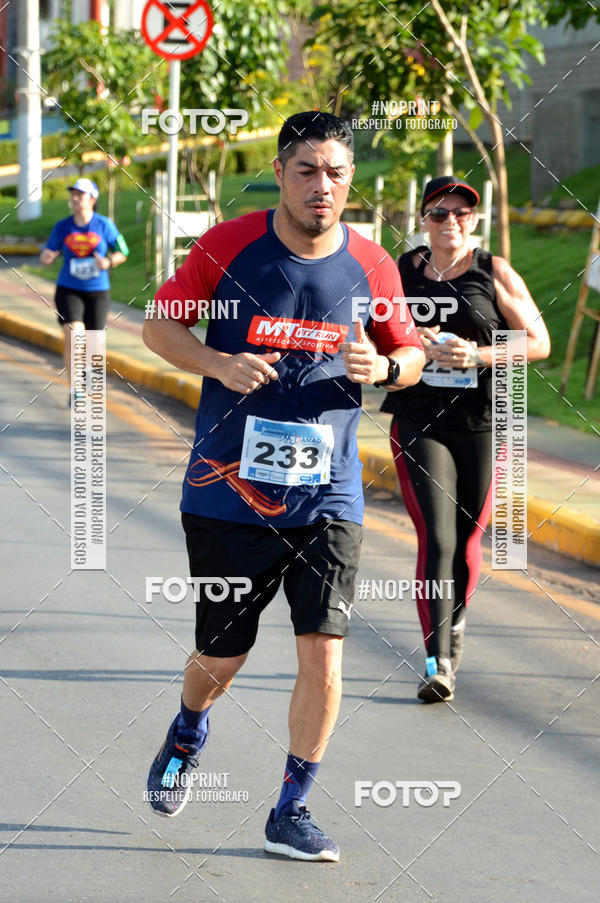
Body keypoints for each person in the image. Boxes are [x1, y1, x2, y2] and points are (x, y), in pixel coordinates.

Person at [142, 111, 425, 861]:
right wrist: (216, 363)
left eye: (335, 172)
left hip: (328, 495)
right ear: (280, 170)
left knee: (324, 653)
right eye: (306, 170)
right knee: (221, 660)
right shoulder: (228, 245)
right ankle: (187, 728)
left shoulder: (372, 264)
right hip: (225, 487)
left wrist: (388, 369)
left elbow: (411, 351)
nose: (321, 186)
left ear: (351, 179)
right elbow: (158, 326)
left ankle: (291, 807)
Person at [382, 175, 550, 703]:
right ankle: (439, 661)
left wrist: (478, 356)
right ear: (423, 221)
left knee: (467, 540)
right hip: (418, 417)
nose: (450, 222)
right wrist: (414, 342)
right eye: (438, 213)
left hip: (481, 419)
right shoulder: (401, 271)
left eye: (461, 213)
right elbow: (367, 329)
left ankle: (454, 626)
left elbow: (539, 341)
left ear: (472, 221)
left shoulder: (491, 270)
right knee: (437, 537)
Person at [39, 178, 129, 404]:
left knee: (93, 343)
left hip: (97, 291)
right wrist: (46, 258)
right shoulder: (63, 226)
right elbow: (47, 253)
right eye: (73, 194)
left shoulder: (104, 225)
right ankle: (75, 389)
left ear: (93, 198)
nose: (75, 198)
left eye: (81, 194)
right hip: (68, 289)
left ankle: (90, 388)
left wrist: (108, 262)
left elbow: (123, 251)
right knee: (75, 335)